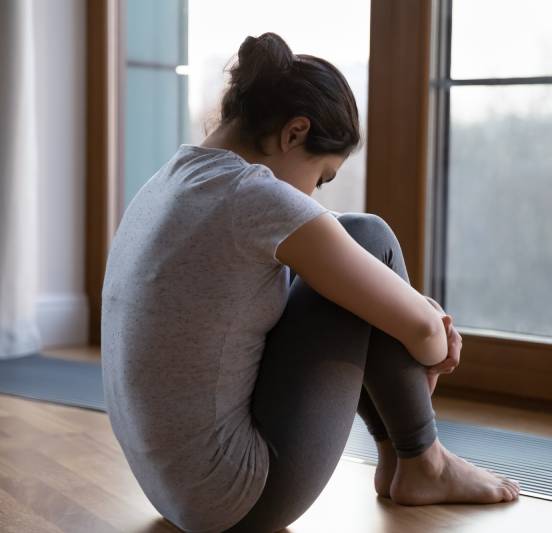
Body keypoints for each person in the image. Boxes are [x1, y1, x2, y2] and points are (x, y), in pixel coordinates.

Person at [100, 31, 520, 533]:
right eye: (322, 176)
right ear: (294, 133)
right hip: (238, 499)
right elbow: (424, 335)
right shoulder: (251, 195)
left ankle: (407, 461)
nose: (314, 194)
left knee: (355, 261)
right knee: (366, 236)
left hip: (174, 492)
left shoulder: (171, 179)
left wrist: (412, 314)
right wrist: (431, 342)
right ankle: (423, 460)